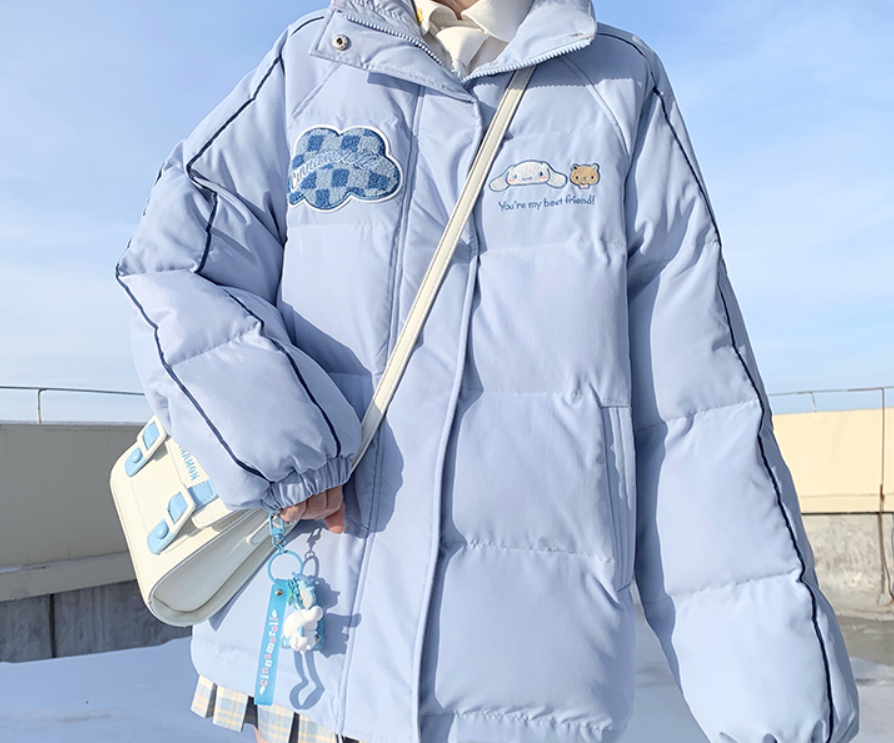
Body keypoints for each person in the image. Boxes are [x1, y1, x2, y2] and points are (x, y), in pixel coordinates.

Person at [116, 1, 861, 742]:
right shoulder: (318, 60)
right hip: (311, 665)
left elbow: (695, 417)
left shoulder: (615, 86)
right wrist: (280, 441)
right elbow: (178, 260)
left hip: (529, 700)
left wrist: (781, 709)